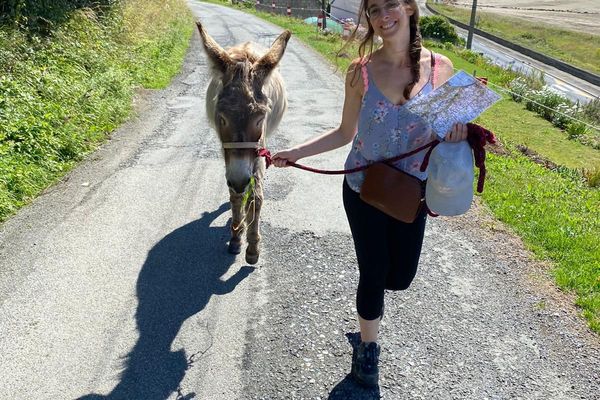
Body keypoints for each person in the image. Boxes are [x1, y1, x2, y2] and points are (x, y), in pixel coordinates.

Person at [271, 0, 468, 388]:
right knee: (373, 271)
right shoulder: (359, 72)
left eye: (390, 4)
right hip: (362, 187)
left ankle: (368, 316)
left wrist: (458, 133)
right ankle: (367, 349)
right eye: (374, 9)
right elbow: (345, 133)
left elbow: (448, 132)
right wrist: (295, 153)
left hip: (410, 193)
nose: (383, 15)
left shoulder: (441, 69)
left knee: (401, 277)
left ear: (410, 8)